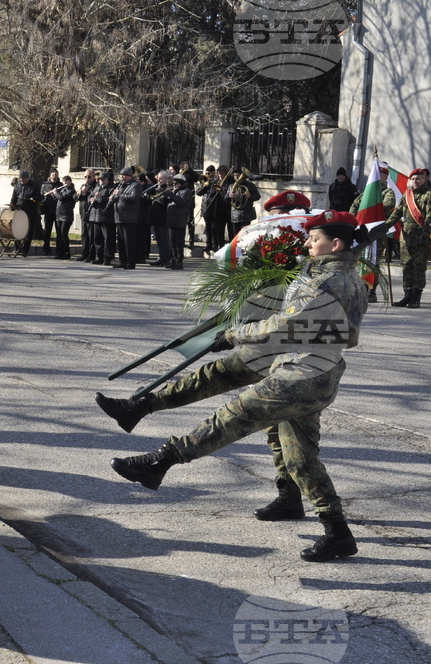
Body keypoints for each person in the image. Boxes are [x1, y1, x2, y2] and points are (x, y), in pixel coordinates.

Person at [99, 209, 370, 563]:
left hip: (302, 374)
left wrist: (235, 334)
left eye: (314, 239)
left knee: (234, 415)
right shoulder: (353, 280)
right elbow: (338, 333)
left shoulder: (324, 283)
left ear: (336, 244)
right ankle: (335, 531)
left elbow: (281, 326)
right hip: (317, 369)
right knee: (299, 455)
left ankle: (161, 461)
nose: (307, 243)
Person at [386, 168, 431, 308]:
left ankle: (416, 297)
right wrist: (385, 226)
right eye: (413, 179)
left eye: (418, 179)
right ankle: (407, 295)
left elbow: (429, 218)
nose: (415, 181)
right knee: (406, 266)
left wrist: (425, 236)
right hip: (405, 238)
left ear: (425, 179)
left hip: (421, 239)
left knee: (418, 267)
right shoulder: (407, 194)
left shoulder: (428, 196)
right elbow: (397, 213)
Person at [350, 166, 395, 304]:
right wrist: (352, 221)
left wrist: (372, 206)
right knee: (361, 260)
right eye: (376, 174)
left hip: (377, 232)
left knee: (373, 261)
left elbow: (389, 204)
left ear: (385, 177)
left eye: (381, 175)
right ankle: (361, 288)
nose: (378, 177)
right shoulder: (367, 193)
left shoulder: (387, 192)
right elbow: (354, 205)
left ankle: (372, 291)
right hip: (362, 231)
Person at [110, 167, 143, 269]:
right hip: (119, 217)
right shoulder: (121, 185)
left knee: (129, 241)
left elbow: (134, 198)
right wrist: (112, 198)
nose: (121, 177)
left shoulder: (135, 185)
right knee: (121, 241)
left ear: (128, 176)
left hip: (129, 217)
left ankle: (130, 262)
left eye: (123, 175)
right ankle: (122, 261)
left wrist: (120, 195)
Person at [164, 173, 194, 269]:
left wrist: (171, 195)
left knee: (178, 243)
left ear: (181, 183)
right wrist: (165, 197)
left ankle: (179, 261)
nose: (174, 185)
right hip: (171, 220)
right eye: (173, 184)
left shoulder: (187, 191)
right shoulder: (175, 191)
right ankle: (173, 259)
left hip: (180, 220)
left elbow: (180, 202)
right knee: (172, 242)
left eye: (176, 183)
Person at [11, 170, 42, 257]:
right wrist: (12, 208)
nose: (22, 180)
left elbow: (39, 197)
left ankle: (25, 249)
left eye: (23, 178)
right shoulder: (17, 186)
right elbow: (13, 198)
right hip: (19, 211)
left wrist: (33, 198)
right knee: (17, 230)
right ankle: (17, 248)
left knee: (29, 232)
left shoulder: (34, 186)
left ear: (27, 178)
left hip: (30, 211)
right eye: (20, 178)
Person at [195, 165, 225, 253]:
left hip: (215, 208)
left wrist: (211, 183)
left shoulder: (216, 181)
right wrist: (205, 184)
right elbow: (198, 193)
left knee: (214, 227)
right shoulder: (204, 181)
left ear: (213, 173)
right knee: (207, 228)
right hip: (205, 207)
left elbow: (217, 192)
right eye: (206, 173)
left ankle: (215, 245)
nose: (207, 175)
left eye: (209, 173)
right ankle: (208, 245)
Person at [226, 168, 261, 240]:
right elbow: (225, 199)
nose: (236, 177)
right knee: (235, 236)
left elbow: (258, 196)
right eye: (235, 175)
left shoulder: (250, 185)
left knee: (244, 235)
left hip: (246, 213)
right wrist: (229, 196)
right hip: (234, 215)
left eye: (238, 175)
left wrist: (250, 196)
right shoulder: (231, 186)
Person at [147, 171, 171, 267]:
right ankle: (161, 257)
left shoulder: (168, 189)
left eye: (161, 179)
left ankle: (166, 258)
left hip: (163, 218)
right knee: (158, 239)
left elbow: (165, 202)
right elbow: (150, 197)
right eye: (158, 178)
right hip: (155, 217)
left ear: (166, 179)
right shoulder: (156, 188)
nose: (159, 180)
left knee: (164, 240)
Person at [75, 169, 98, 262]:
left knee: (91, 236)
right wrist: (79, 192)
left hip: (91, 214)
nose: (87, 179)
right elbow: (75, 197)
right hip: (83, 213)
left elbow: (93, 197)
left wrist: (87, 192)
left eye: (89, 177)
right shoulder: (83, 186)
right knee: (84, 235)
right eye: (85, 177)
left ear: (93, 177)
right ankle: (84, 254)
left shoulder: (96, 186)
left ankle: (91, 255)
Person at [53, 175, 76, 260]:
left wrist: (56, 193)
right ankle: (59, 252)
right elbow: (58, 199)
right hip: (59, 214)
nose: (65, 183)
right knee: (59, 234)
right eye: (64, 181)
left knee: (63, 233)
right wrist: (53, 195)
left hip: (66, 215)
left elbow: (62, 198)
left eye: (66, 181)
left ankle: (66, 252)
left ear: (70, 182)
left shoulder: (71, 191)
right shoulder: (62, 189)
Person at [40, 169, 61, 256]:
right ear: (49, 175)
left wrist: (56, 194)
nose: (54, 175)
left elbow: (61, 195)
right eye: (53, 174)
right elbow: (42, 194)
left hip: (58, 211)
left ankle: (59, 249)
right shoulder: (45, 185)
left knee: (59, 231)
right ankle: (46, 249)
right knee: (47, 231)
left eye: (56, 174)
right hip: (48, 211)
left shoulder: (60, 185)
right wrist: (48, 193)